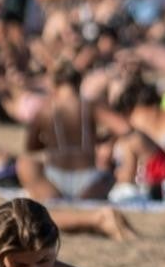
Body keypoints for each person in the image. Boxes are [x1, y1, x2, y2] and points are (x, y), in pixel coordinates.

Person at [18, 63, 131, 202]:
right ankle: (81, 198)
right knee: (109, 176)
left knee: (25, 164)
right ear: (79, 82)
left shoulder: (45, 110)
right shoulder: (90, 106)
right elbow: (125, 128)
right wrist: (102, 140)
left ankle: (54, 197)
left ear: (55, 85)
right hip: (88, 179)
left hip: (54, 178)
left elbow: (30, 146)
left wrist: (52, 143)